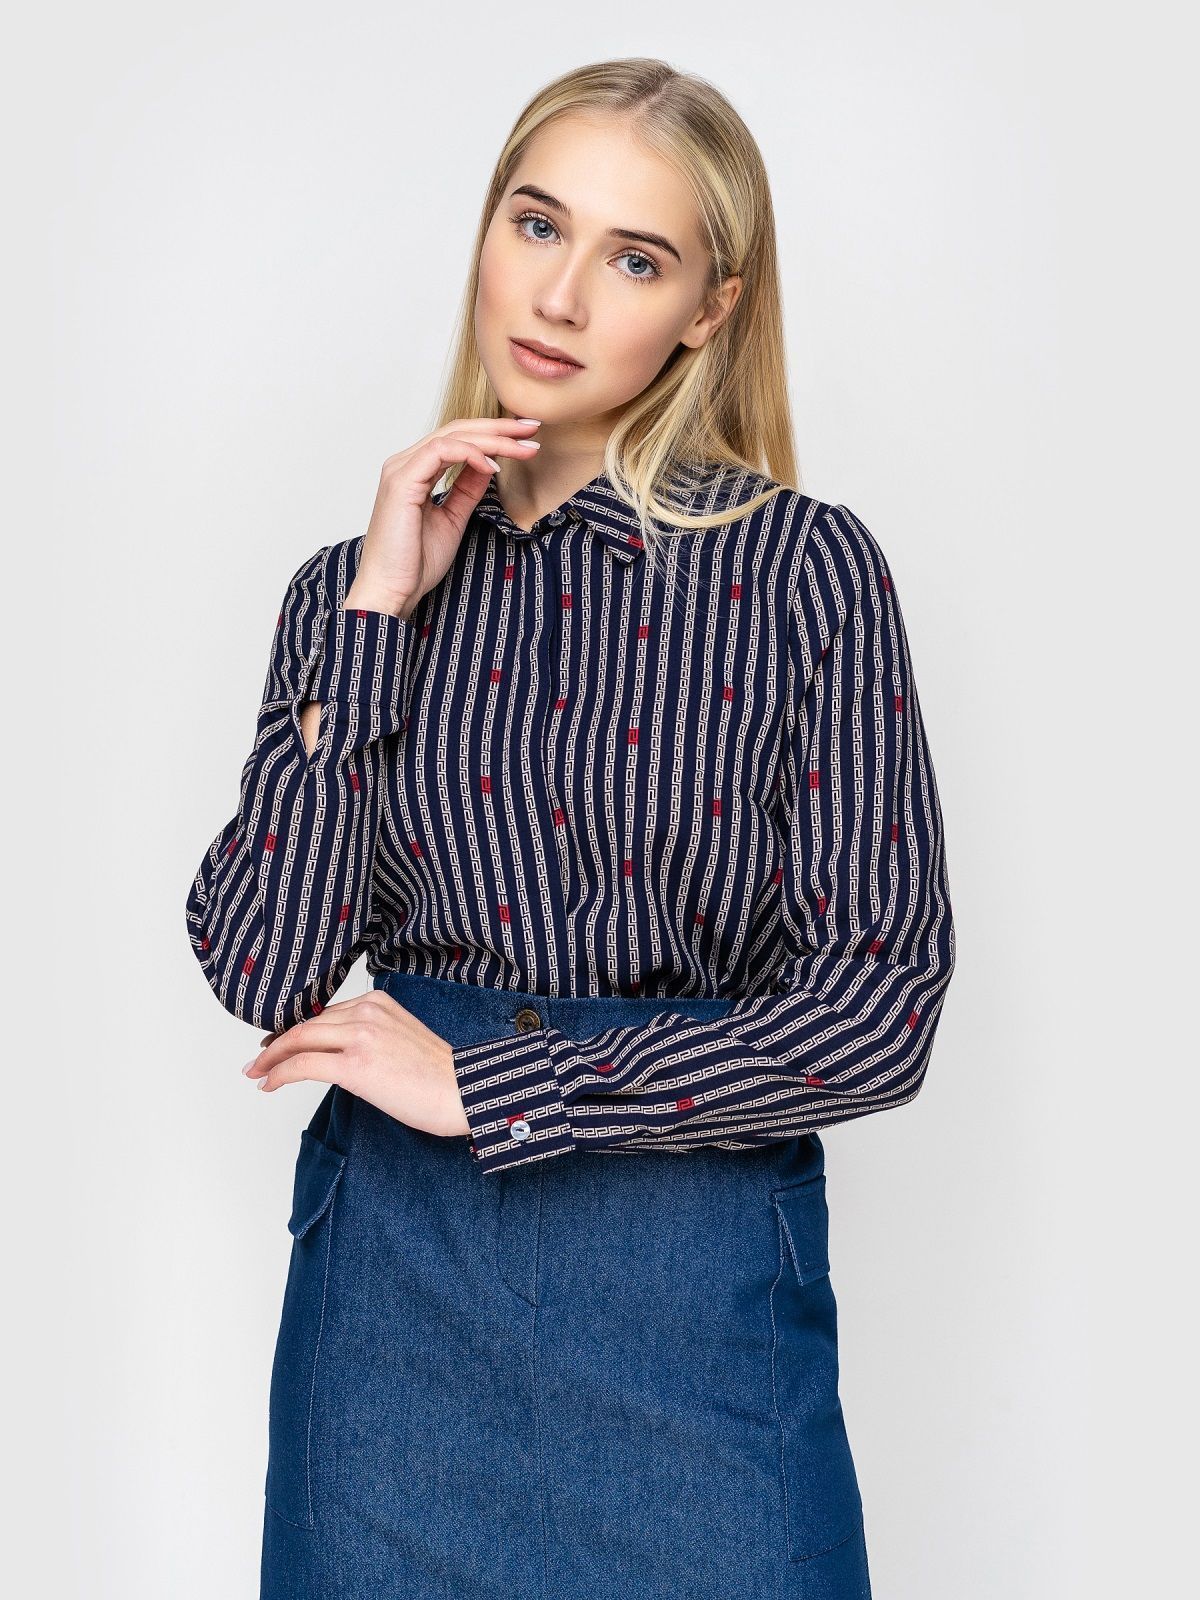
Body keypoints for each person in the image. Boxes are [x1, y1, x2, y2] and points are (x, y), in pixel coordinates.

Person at [185, 56, 955, 1600]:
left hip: (692, 1299)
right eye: (537, 225)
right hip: (395, 1310)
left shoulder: (803, 574)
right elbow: (264, 967)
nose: (560, 295)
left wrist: (494, 1083)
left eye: (634, 258)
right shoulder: (352, 588)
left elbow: (874, 1020)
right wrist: (377, 616)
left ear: (710, 311)